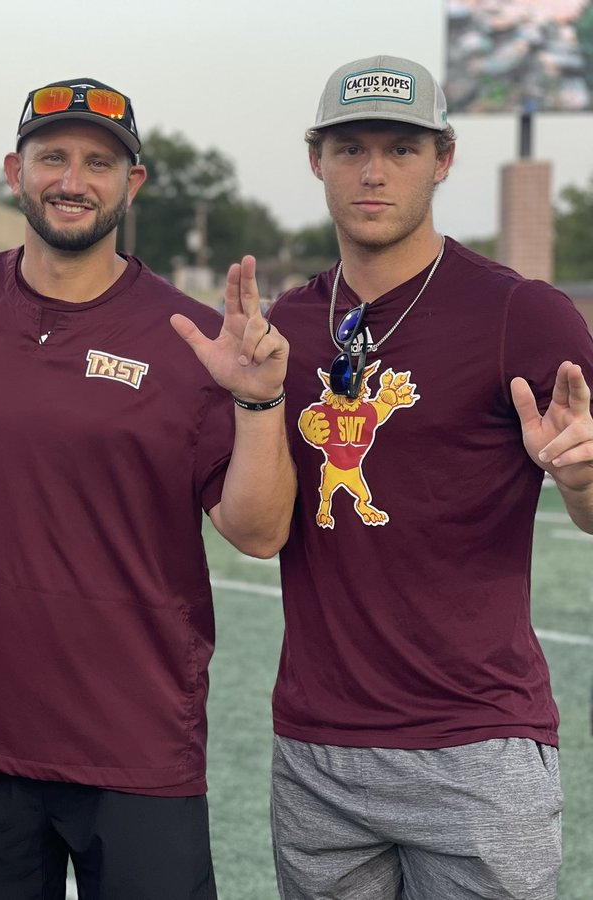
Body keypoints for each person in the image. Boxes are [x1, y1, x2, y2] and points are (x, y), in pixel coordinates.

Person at [0, 77, 295, 899]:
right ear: (15, 170)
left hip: (134, 737)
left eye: (98, 162)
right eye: (52, 157)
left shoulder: (190, 336)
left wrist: (259, 401)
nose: (72, 180)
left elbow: (258, 533)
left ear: (133, 183)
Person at [265, 54, 593, 899]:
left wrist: (585, 478)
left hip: (476, 743)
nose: (374, 171)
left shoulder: (522, 312)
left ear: (443, 159)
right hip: (318, 749)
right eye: (350, 148)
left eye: (402, 149)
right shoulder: (289, 324)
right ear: (316, 159)